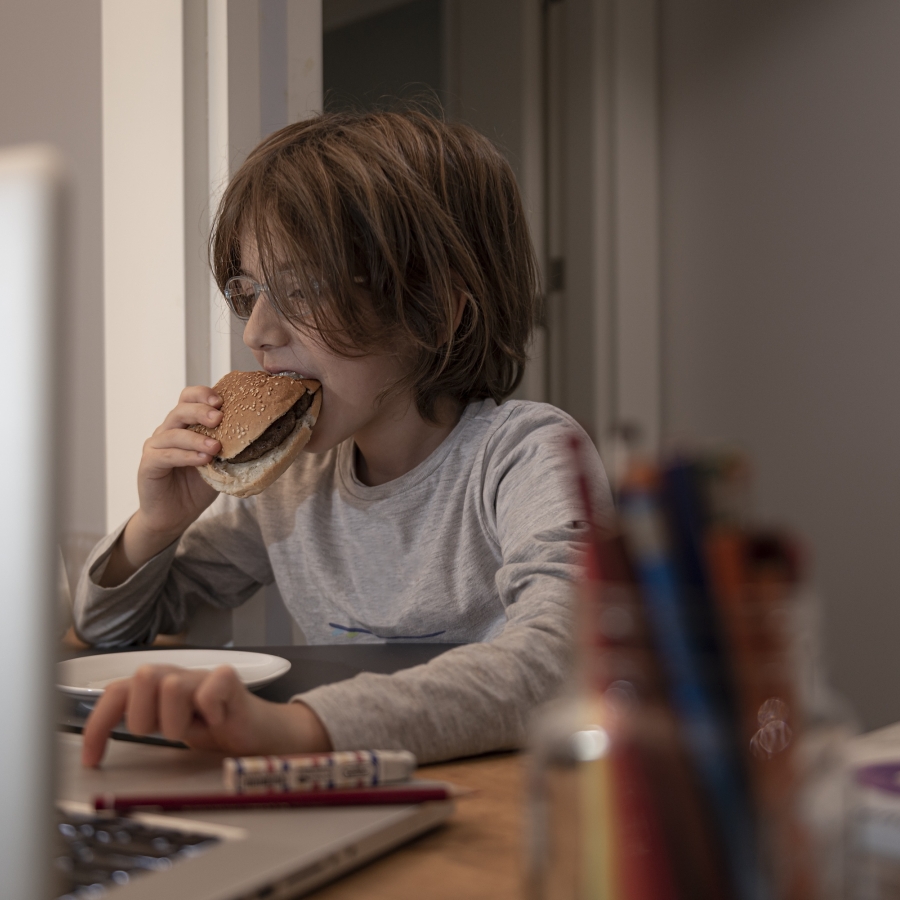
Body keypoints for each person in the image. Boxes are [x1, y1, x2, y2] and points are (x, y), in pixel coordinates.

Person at [74, 109, 611, 767]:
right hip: (349, 791)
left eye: (301, 290)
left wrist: (305, 731)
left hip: (500, 806)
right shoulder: (291, 485)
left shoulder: (526, 457)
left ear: (436, 311)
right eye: (249, 293)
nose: (257, 333)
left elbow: (566, 659)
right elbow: (106, 633)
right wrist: (154, 527)